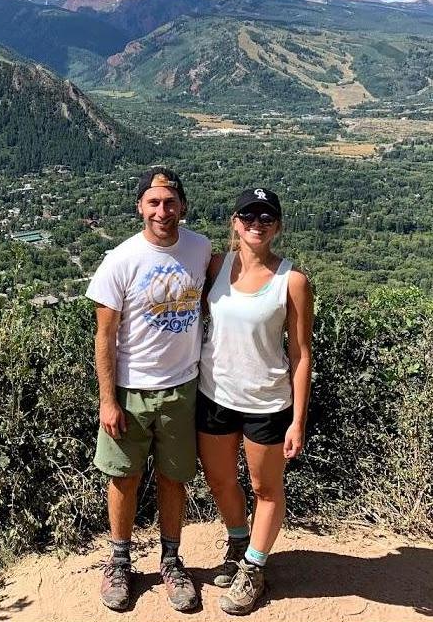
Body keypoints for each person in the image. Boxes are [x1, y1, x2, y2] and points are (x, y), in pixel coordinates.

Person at [86, 167, 211, 613]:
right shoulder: (119, 260)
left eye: (170, 202)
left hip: (182, 387)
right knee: (123, 477)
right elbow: (104, 336)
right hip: (131, 390)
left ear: (183, 206)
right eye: (153, 202)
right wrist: (107, 399)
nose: (163, 210)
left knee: (174, 477)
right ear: (140, 206)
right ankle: (119, 561)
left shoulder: (200, 248)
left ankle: (171, 561)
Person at [197, 186, 313, 616]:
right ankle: (238, 542)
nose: (256, 224)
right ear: (234, 222)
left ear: (277, 227)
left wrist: (298, 420)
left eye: (266, 218)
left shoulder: (292, 281)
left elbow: (301, 354)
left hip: (267, 401)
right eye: (248, 216)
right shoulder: (215, 266)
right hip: (214, 394)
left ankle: (255, 567)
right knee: (221, 481)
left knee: (266, 488)